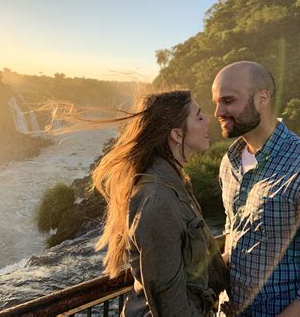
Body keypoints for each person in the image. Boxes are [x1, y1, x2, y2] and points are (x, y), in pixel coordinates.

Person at [212, 61, 300, 316]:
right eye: (216, 102)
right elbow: (233, 231)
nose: (218, 112)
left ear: (262, 99)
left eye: (228, 101)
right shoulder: (229, 163)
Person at [92, 90, 229, 316]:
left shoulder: (175, 183)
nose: (208, 120)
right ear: (176, 134)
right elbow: (171, 310)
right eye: (198, 116)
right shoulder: (158, 200)